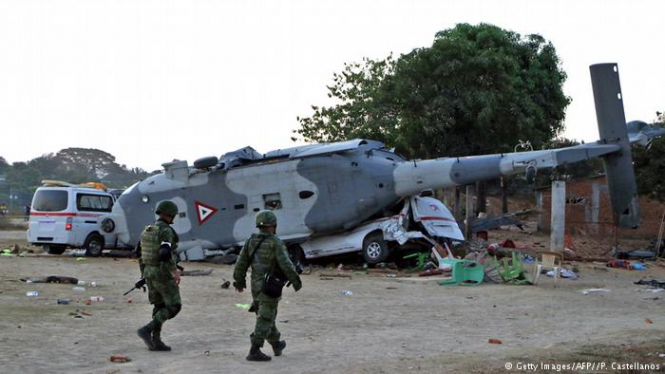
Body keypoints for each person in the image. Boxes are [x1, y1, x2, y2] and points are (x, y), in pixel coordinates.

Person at [233, 210, 302, 361]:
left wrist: (239, 281)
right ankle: (254, 350)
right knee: (265, 317)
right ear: (273, 226)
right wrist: (296, 280)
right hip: (270, 285)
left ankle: (277, 344)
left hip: (256, 286)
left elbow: (241, 264)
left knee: (267, 315)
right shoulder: (275, 243)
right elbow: (286, 264)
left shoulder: (250, 241)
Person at [136, 201, 182, 352]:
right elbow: (164, 253)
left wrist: (143, 275)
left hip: (149, 271)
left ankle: (156, 341)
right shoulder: (166, 231)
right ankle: (146, 330)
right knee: (174, 306)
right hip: (161, 272)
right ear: (170, 214)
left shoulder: (148, 230)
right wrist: (174, 270)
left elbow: (140, 254)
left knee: (159, 305)